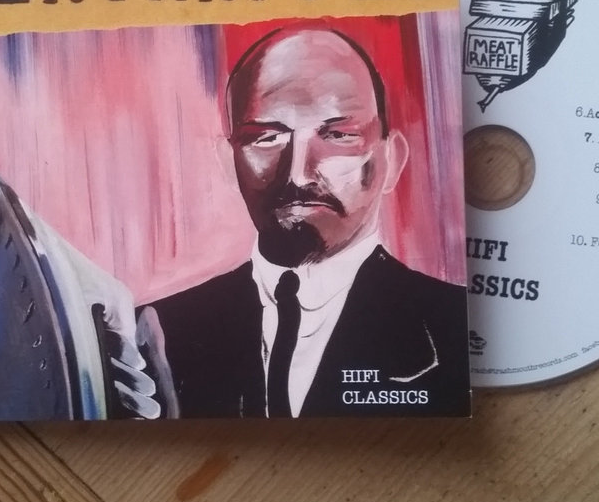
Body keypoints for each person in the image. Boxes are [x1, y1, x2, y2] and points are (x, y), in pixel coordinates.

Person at [139, 26, 469, 418]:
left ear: (391, 160)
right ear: (229, 164)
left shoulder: (455, 327)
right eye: (266, 138)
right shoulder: (158, 334)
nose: (297, 174)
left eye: (338, 134)